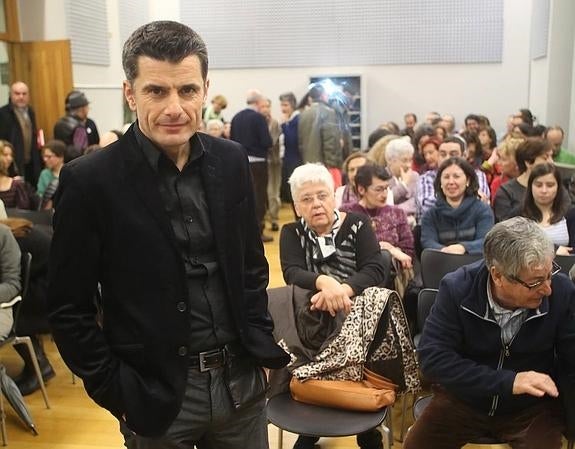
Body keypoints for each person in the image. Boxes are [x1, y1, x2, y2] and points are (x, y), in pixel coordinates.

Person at [47, 20, 289, 449]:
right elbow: (69, 307)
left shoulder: (231, 161)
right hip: (155, 393)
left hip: (241, 385)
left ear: (204, 88)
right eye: (156, 91)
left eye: (187, 90)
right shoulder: (90, 181)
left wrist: (260, 343)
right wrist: (114, 390)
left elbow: (250, 266)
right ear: (130, 93)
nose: (175, 107)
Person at [403, 216, 575, 449]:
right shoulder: (457, 288)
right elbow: (433, 359)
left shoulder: (561, 291)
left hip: (530, 408)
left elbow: (571, 358)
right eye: (535, 282)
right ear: (498, 275)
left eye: (549, 273)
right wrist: (508, 381)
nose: (547, 288)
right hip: (465, 400)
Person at [280, 163, 386, 449]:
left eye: (322, 195)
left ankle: (367, 428)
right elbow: (292, 271)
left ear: (334, 197)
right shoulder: (291, 232)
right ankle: (311, 421)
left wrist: (342, 290)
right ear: (297, 206)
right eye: (307, 199)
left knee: (367, 345)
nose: (316, 204)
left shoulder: (358, 224)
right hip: (314, 320)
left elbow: (376, 267)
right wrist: (324, 282)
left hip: (359, 316)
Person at [342, 164, 414, 269]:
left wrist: (393, 252)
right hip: (357, 269)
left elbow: (409, 251)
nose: (384, 194)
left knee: (384, 257)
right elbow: (344, 249)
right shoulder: (347, 213)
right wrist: (385, 247)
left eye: (386, 188)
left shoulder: (397, 213)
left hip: (392, 271)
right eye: (379, 189)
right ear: (361, 189)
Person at [421, 157, 494, 255]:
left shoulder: (483, 210)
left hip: (475, 264)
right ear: (440, 183)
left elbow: (485, 241)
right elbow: (427, 242)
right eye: (446, 177)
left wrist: (463, 247)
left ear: (468, 180)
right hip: (442, 263)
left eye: (456, 176)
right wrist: (446, 251)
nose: (451, 182)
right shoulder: (430, 215)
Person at [230, 89, 274, 242]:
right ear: (257, 103)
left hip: (240, 161)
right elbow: (267, 142)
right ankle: (258, 232)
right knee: (259, 197)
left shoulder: (236, 118)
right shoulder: (258, 118)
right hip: (258, 163)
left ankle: (244, 231)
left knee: (244, 196)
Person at [493, 138, 560, 222]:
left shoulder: (557, 187)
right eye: (545, 158)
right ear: (528, 162)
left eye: (551, 157)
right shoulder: (506, 192)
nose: (551, 162)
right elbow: (503, 226)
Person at [521, 163, 574, 255]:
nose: (544, 190)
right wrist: (554, 249)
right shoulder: (518, 214)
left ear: (558, 187)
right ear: (530, 186)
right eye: (538, 185)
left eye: (550, 185)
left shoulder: (571, 214)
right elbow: (515, 245)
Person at [0, 82, 42, 184]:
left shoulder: (30, 112)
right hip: (12, 163)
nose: (21, 97)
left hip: (31, 163)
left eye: (24, 94)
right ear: (11, 95)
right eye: (17, 93)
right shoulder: (3, 114)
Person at [297, 84, 342, 177]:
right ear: (323, 95)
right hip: (325, 167)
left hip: (308, 165)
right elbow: (330, 141)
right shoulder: (329, 112)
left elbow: (301, 142)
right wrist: (332, 165)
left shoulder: (303, 114)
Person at [53, 90, 99, 160]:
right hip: (84, 162)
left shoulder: (58, 124)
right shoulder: (79, 128)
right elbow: (81, 151)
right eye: (87, 107)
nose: (88, 109)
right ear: (82, 109)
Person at [384, 137, 419, 221]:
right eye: (404, 160)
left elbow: (416, 201)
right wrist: (403, 185)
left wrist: (395, 209)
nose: (408, 165)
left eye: (410, 160)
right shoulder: (381, 176)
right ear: (390, 160)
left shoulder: (414, 176)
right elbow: (386, 200)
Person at [278, 92, 301, 203]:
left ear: (292, 105)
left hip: (295, 159)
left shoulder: (296, 119)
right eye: (282, 105)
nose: (283, 108)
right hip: (287, 158)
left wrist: (283, 125)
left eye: (285, 105)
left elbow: (292, 139)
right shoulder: (289, 120)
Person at [36, 139, 65, 209]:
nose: (45, 159)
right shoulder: (44, 174)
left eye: (49, 157)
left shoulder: (69, 172)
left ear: (60, 157)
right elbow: (40, 195)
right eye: (44, 156)